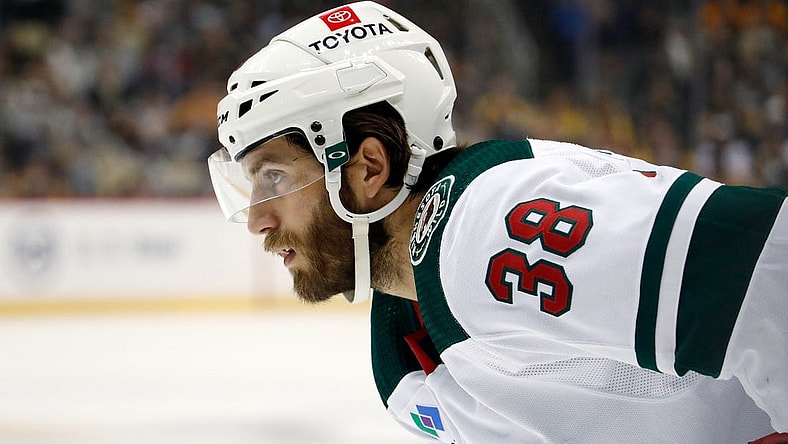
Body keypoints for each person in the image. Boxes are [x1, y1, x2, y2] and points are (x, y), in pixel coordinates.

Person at [207, 2, 787, 443]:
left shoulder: (487, 228)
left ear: (366, 167)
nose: (256, 217)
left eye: (274, 177)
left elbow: (770, 269)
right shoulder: (409, 342)